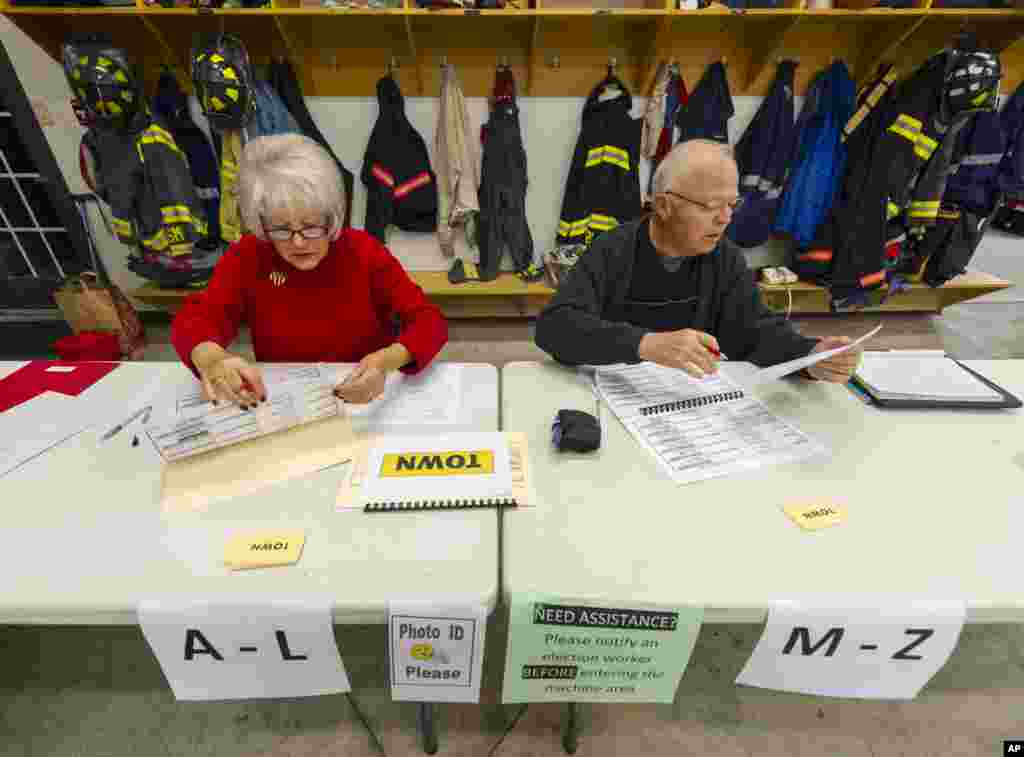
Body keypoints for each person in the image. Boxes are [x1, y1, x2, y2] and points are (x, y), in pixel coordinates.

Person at [534, 139, 861, 383]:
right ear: (663, 206)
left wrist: (812, 356)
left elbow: (754, 332)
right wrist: (644, 344)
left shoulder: (724, 257)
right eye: (710, 206)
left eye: (732, 204)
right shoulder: (613, 249)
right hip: (610, 395)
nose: (725, 219)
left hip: (687, 403)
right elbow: (555, 327)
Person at [172, 134, 448, 407]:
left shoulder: (363, 251)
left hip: (365, 391)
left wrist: (387, 361)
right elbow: (197, 318)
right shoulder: (249, 255)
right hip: (287, 395)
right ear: (261, 223)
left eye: (312, 226)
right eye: (281, 229)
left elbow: (429, 321)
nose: (298, 242)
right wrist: (212, 358)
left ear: (332, 215)